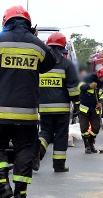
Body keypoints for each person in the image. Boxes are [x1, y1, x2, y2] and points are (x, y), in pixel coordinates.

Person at [0, 5, 57, 198]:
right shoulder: (36, 44)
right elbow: (50, 63)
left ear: (5, 21)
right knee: (25, 151)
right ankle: (21, 197)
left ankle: (2, 185)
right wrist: (34, 39)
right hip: (27, 114)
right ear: (29, 24)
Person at [34, 32, 79, 173]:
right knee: (60, 135)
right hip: (62, 110)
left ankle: (38, 152)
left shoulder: (40, 65)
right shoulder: (67, 65)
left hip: (44, 108)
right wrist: (76, 104)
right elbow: (73, 89)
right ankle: (59, 166)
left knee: (45, 133)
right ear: (62, 48)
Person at [77, 66, 103, 153]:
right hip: (84, 108)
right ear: (100, 74)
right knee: (84, 128)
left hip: (95, 109)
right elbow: (79, 87)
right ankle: (87, 145)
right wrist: (89, 86)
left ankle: (91, 142)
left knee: (96, 128)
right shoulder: (88, 78)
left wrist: (101, 103)